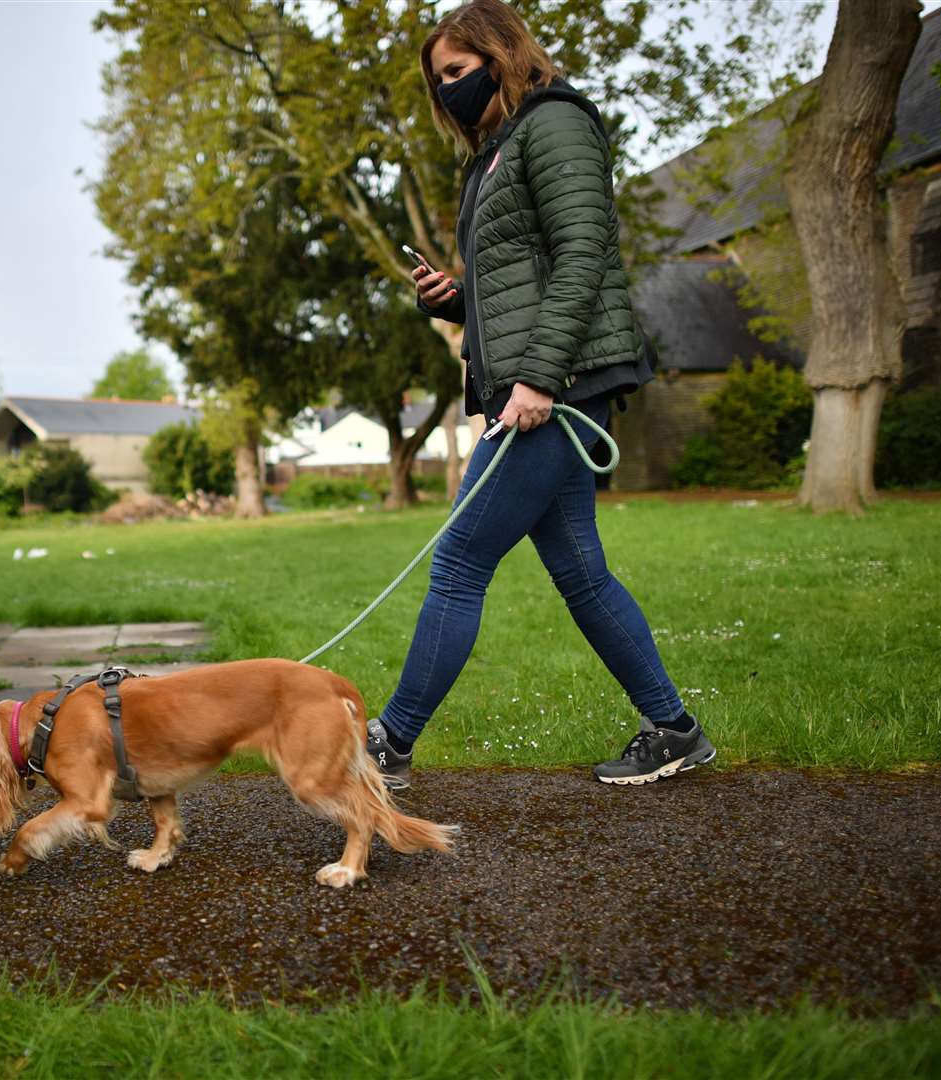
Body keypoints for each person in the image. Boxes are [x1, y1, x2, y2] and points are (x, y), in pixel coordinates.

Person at [364, 0, 714, 787]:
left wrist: (538, 380)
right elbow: (523, 280)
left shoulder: (554, 123)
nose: (448, 88)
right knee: (582, 574)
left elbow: (584, 254)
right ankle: (675, 729)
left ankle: (388, 748)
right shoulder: (495, 151)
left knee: (458, 559)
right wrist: (454, 299)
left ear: (501, 52)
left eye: (457, 70)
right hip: (535, 384)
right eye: (439, 79)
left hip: (553, 390)